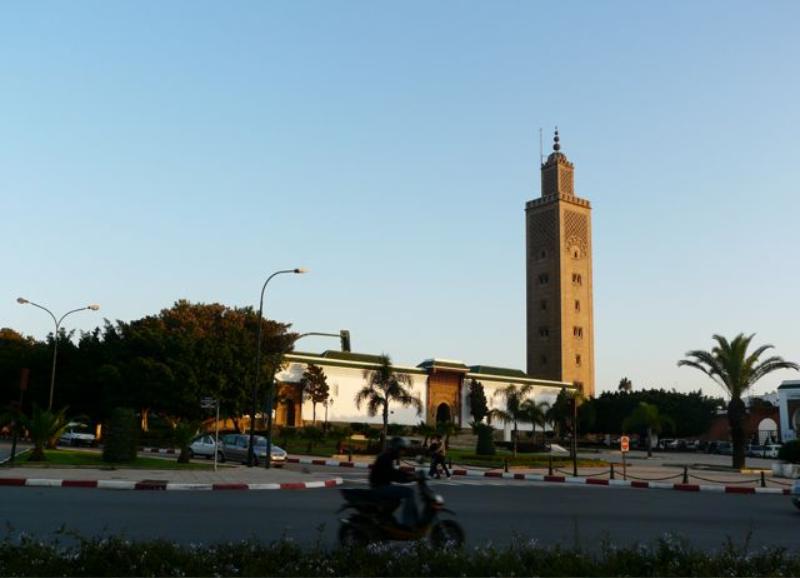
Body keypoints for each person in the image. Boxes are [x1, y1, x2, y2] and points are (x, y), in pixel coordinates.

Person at [369, 436, 419, 529]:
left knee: (397, 500)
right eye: (402, 450)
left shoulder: (387, 457)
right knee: (409, 492)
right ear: (396, 448)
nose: (403, 452)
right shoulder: (385, 457)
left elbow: (393, 472)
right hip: (380, 487)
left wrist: (408, 475)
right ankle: (409, 523)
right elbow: (392, 475)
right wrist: (409, 478)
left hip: (380, 486)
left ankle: (385, 517)